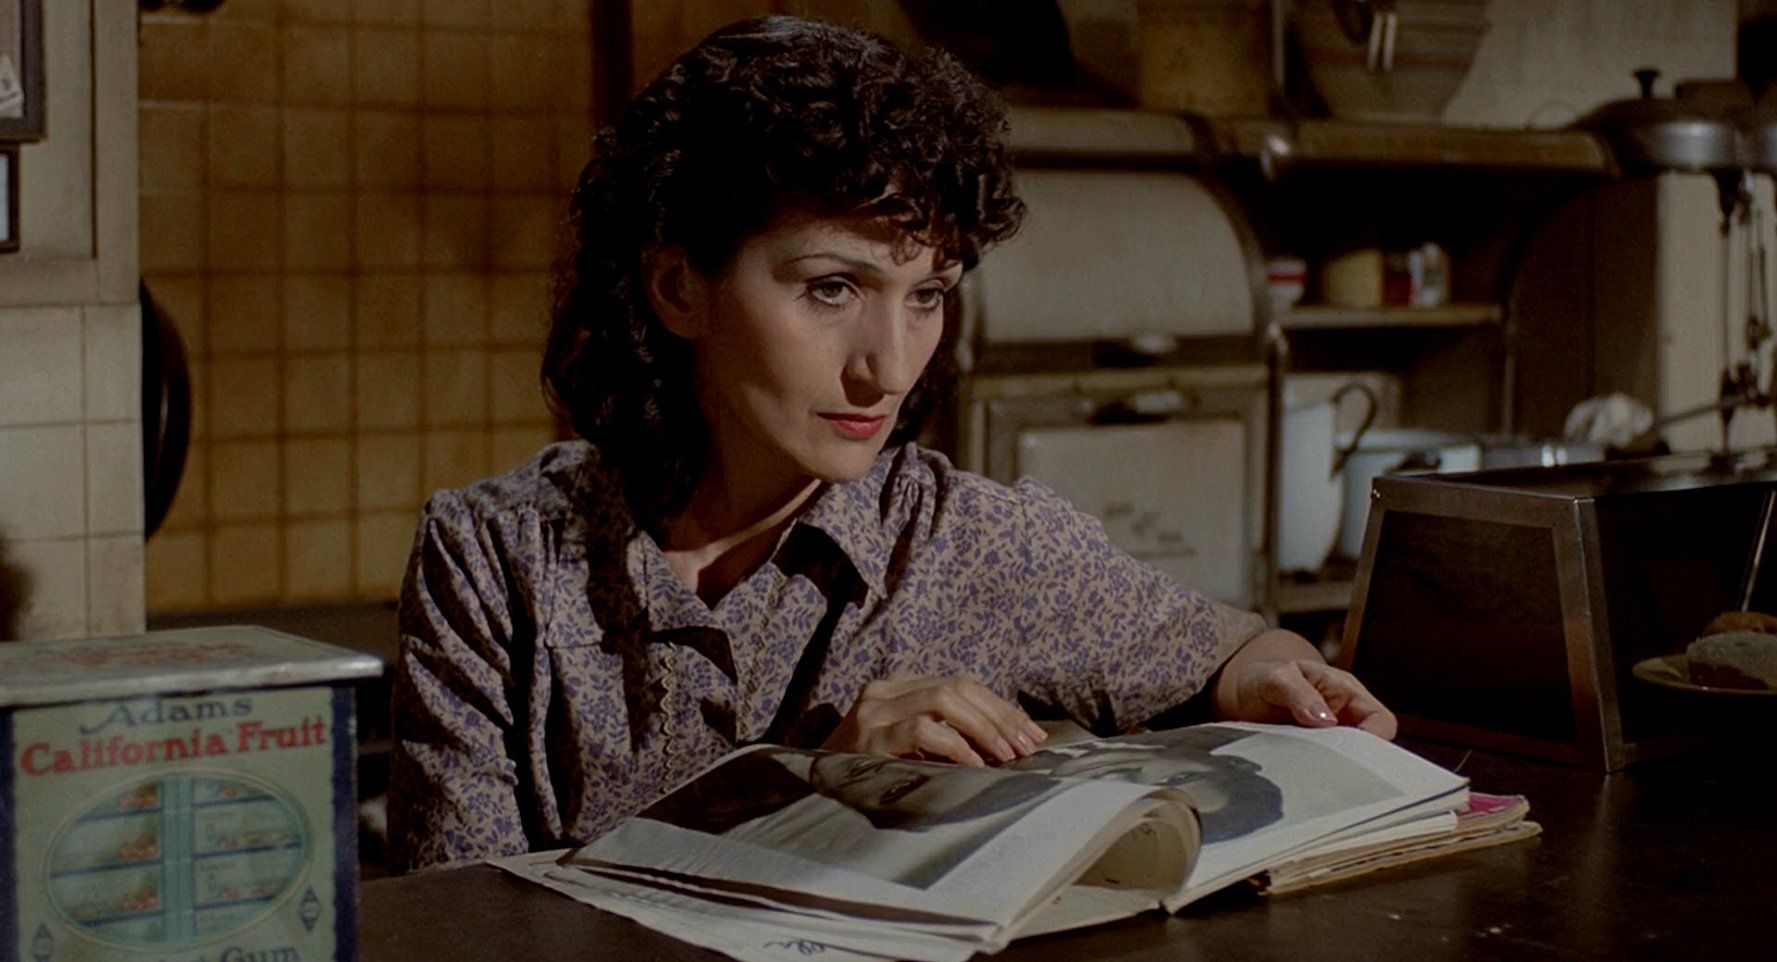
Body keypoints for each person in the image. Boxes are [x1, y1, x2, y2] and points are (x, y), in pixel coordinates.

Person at [388, 15, 1396, 874]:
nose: (890, 365)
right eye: (832, 289)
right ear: (678, 287)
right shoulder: (496, 560)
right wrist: (810, 793)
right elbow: (459, 927)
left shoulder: (969, 542)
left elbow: (1233, 649)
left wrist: (1276, 676)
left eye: (927, 295)